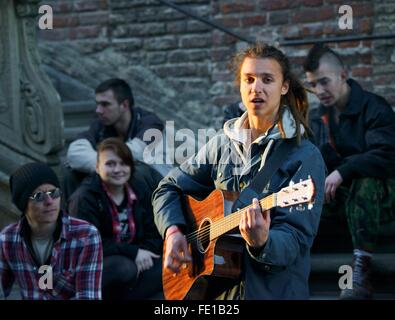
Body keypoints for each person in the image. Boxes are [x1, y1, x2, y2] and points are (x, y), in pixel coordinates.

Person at [153, 43, 326, 300]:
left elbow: (297, 240)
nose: (256, 88)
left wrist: (263, 242)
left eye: (267, 80)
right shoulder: (222, 144)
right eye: (249, 79)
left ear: (284, 86)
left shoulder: (304, 156)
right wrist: (174, 231)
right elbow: (168, 187)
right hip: (216, 293)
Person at [303, 43, 395, 299]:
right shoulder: (318, 117)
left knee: (364, 181)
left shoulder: (374, 107)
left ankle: (361, 275)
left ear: (344, 74)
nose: (319, 91)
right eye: (313, 84)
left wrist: (343, 171)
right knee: (299, 193)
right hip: (343, 199)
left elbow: (386, 156)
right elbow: (313, 159)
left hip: (383, 194)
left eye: (324, 81)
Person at [68, 138, 163, 300]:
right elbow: (89, 246)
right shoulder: (84, 198)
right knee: (124, 268)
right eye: (110, 164)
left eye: (123, 163)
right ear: (97, 167)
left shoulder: (139, 189)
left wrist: (144, 254)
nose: (118, 169)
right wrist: (134, 253)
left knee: (169, 269)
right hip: (94, 266)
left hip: (136, 262)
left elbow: (154, 233)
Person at [0, 162, 102, 300]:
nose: (49, 201)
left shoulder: (86, 235)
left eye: (54, 193)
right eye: (39, 196)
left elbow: (88, 296)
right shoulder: (7, 239)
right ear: (23, 204)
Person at [64, 78, 172, 201]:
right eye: (97, 104)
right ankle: (74, 218)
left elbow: (134, 153)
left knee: (137, 171)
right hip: (119, 180)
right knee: (72, 174)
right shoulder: (101, 126)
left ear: (124, 105)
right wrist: (103, 166)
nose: (98, 110)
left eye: (105, 104)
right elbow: (75, 152)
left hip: (159, 185)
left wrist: (103, 164)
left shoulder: (150, 123)